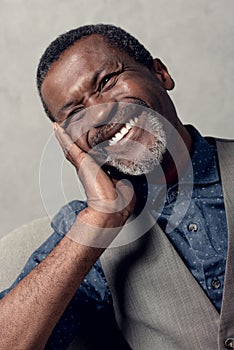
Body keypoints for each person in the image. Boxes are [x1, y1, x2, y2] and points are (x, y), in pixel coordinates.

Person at [0, 24, 234, 350]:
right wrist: (99, 220)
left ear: (160, 73)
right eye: (76, 113)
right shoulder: (83, 233)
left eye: (107, 82)